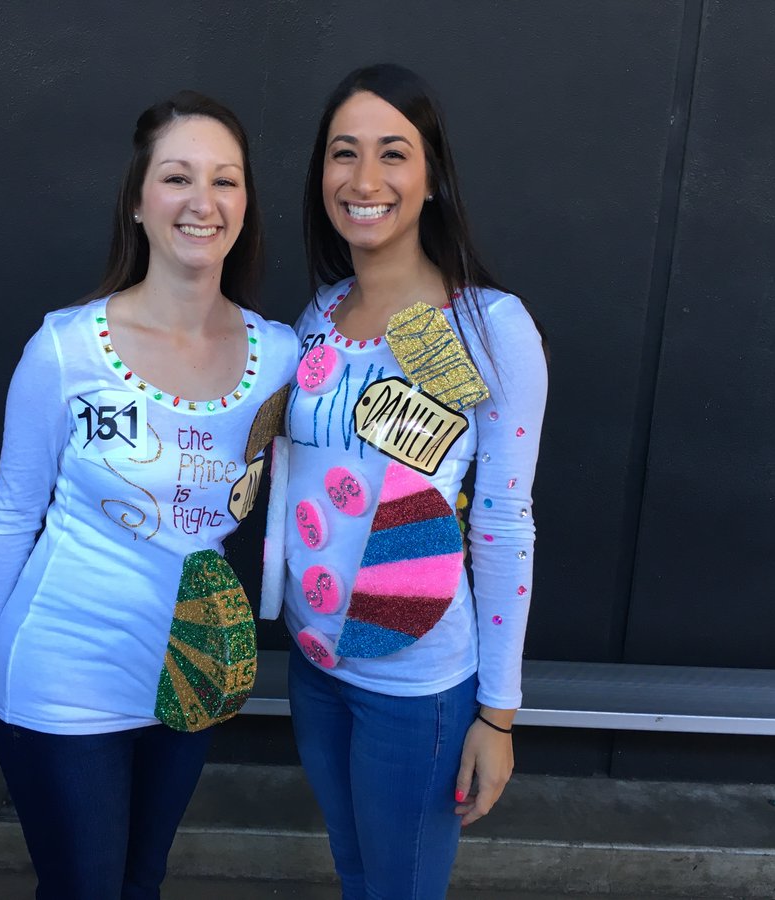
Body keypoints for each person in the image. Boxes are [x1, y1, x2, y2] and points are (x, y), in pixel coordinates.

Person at [0, 91, 298, 899]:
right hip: (65, 667)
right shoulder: (67, 348)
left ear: (245, 204)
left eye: (225, 180)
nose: (203, 201)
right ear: (137, 201)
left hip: (190, 669)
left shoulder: (280, 356)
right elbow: (11, 517)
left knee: (142, 885)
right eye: (177, 177)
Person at [280, 63, 548, 898]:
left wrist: (497, 713)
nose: (364, 180)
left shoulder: (489, 328)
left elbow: (503, 523)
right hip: (313, 662)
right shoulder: (318, 315)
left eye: (393, 153)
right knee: (354, 869)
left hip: (416, 681)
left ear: (432, 178)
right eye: (344, 153)